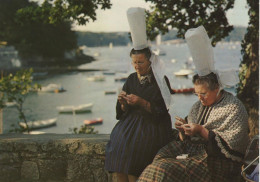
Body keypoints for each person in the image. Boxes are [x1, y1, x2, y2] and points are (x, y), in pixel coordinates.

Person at [138, 26, 250, 182]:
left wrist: (202, 131)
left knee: (163, 170)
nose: (200, 99)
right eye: (197, 94)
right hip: (194, 151)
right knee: (159, 159)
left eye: (203, 94)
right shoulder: (198, 107)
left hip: (217, 160)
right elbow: (186, 139)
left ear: (217, 88)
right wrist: (184, 129)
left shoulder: (233, 107)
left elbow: (233, 146)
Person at [105, 7, 174, 182]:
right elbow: (121, 112)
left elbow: (162, 111)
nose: (137, 66)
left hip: (153, 125)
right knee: (117, 145)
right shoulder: (130, 79)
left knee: (136, 150)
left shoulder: (160, 81)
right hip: (130, 124)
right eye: (134, 62)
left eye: (141, 62)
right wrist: (122, 102)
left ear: (150, 61)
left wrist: (142, 102)